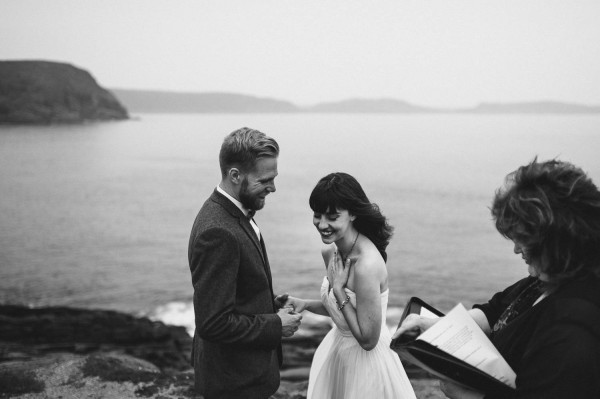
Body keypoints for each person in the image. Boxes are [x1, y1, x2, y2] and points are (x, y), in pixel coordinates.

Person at [393, 158, 600, 398]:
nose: (515, 250)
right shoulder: (547, 278)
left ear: (556, 241)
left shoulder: (572, 331)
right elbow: (495, 310)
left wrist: (464, 395)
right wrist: (437, 328)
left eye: (523, 240)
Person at [187, 127, 302, 399]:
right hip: (234, 384)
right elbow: (213, 323)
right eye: (265, 180)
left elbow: (230, 292)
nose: (273, 188)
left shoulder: (233, 211)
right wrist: (276, 324)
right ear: (235, 175)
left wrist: (265, 303)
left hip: (241, 377)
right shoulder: (219, 232)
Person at [280, 172, 417, 399]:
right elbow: (342, 311)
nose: (322, 224)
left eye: (332, 217)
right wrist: (304, 304)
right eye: (317, 215)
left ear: (353, 214)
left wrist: (338, 289)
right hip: (338, 355)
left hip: (367, 367)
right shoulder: (330, 251)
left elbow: (368, 340)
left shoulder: (367, 265)